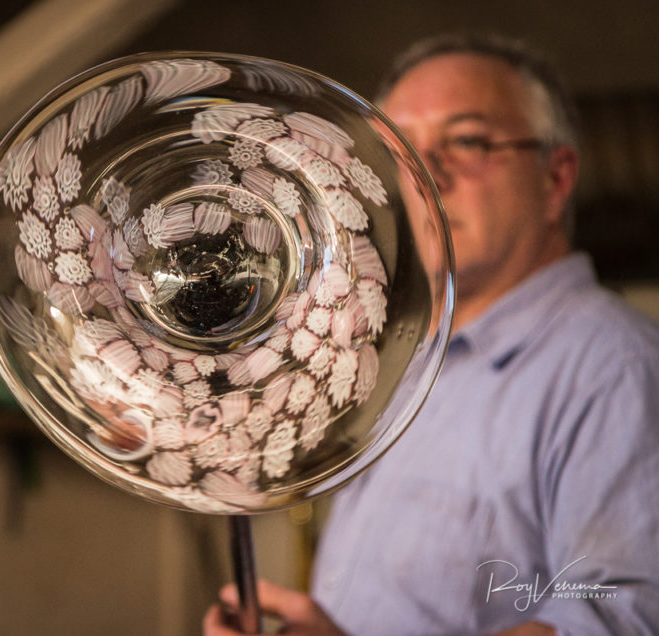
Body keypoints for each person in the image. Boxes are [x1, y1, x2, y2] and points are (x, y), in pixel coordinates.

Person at [204, 32, 659, 636]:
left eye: (467, 140)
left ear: (556, 180)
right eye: (405, 152)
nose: (428, 177)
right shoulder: (418, 360)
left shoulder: (612, 365)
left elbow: (622, 618)